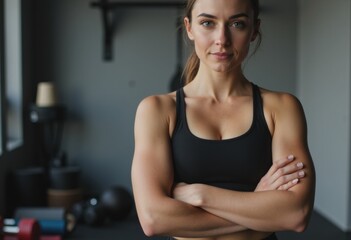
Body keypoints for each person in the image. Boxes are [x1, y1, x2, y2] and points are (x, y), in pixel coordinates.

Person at [131, 0, 316, 239]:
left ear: (254, 30)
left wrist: (201, 195)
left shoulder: (281, 108)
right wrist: (258, 205)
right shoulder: (157, 110)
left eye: (237, 24)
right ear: (189, 27)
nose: (222, 39)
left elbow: (296, 213)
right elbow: (153, 219)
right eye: (207, 23)